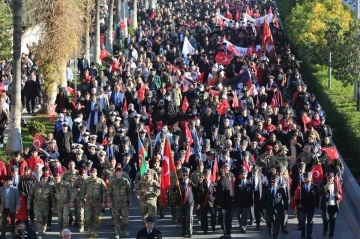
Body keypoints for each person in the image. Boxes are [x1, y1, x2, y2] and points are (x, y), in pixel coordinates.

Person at [80, 168, 107, 238]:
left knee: (96, 218)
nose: (93, 174)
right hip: (88, 202)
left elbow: (104, 191)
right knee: (88, 217)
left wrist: (104, 201)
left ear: (96, 173)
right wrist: (82, 201)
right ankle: (89, 229)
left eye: (94, 172)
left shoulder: (100, 181)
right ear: (90, 173)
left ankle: (95, 231)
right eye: (91, 172)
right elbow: (82, 191)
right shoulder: (86, 181)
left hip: (97, 202)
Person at [27, 174, 55, 239]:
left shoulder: (49, 186)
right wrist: (28, 204)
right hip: (37, 206)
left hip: (46, 206)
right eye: (44, 178)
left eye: (46, 178)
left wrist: (53, 205)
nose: (45, 180)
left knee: (45, 219)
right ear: (41, 178)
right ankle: (39, 233)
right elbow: (30, 195)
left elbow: (52, 197)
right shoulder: (35, 185)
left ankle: (43, 229)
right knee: (39, 219)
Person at [261, 175, 288, 239]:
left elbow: (285, 199)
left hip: (278, 208)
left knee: (277, 223)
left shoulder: (281, 189)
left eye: (274, 182)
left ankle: (275, 236)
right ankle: (269, 229)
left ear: (277, 182)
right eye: (272, 182)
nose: (273, 183)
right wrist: (263, 208)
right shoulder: (267, 188)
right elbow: (263, 199)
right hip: (269, 208)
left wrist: (285, 209)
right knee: (268, 221)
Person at [108, 167, 132, 239]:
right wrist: (109, 201)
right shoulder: (112, 181)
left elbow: (129, 192)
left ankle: (124, 228)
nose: (119, 173)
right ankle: (117, 233)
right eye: (117, 172)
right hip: (115, 202)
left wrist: (130, 201)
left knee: (125, 218)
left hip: (124, 202)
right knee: (116, 218)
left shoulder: (125, 181)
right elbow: (109, 192)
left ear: (122, 173)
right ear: (115, 173)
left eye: (120, 172)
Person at [296, 172, 319, 239]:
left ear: (311, 179)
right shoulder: (300, 186)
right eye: (305, 179)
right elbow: (297, 196)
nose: (307, 180)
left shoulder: (315, 187)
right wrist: (298, 204)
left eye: (308, 179)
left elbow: (317, 197)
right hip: (302, 206)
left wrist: (316, 205)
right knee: (302, 221)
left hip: (311, 207)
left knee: (310, 221)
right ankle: (303, 233)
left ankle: (309, 234)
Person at [173, 167, 194, 237]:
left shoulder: (190, 181)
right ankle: (183, 231)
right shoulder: (178, 181)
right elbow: (173, 190)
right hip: (181, 202)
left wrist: (192, 184)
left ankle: (190, 230)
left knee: (189, 216)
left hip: (189, 202)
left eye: (186, 175)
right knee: (183, 217)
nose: (185, 176)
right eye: (183, 174)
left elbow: (195, 189)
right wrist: (176, 186)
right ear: (181, 175)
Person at [320, 172, 341, 239]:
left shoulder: (336, 185)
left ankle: (331, 235)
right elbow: (320, 193)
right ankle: (325, 229)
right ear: (327, 178)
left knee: (333, 221)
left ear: (333, 178)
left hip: (334, 205)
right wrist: (326, 187)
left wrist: (338, 195)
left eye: (331, 178)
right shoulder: (323, 184)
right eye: (329, 178)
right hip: (326, 205)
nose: (330, 180)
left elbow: (340, 193)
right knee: (325, 219)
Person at [215, 169, 233, 238]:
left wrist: (219, 205)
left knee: (222, 220)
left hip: (224, 205)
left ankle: (226, 234)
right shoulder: (228, 180)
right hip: (229, 204)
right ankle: (227, 232)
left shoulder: (220, 183)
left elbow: (220, 196)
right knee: (227, 219)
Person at [234, 168, 253, 233]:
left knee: (245, 215)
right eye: (242, 174)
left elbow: (251, 193)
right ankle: (241, 223)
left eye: (244, 174)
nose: (243, 175)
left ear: (246, 175)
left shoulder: (249, 182)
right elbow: (235, 192)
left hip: (246, 202)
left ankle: (243, 226)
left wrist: (251, 202)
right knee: (239, 215)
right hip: (238, 202)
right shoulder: (237, 182)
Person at [197, 169, 217, 234]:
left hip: (211, 202)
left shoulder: (213, 183)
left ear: (210, 176)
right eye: (205, 176)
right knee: (203, 216)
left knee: (213, 216)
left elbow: (216, 192)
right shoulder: (201, 183)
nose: (206, 177)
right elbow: (199, 191)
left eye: (207, 175)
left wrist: (214, 198)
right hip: (204, 202)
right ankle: (205, 229)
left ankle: (213, 226)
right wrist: (200, 184)